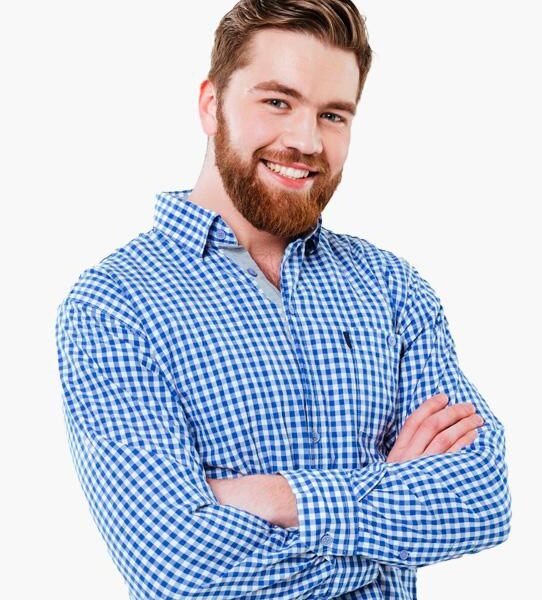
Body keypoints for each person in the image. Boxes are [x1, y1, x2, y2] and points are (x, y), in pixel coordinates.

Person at [55, 1, 511, 598]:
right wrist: (392, 506)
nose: (305, 140)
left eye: (333, 115)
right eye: (277, 102)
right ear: (211, 105)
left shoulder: (392, 288)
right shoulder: (114, 307)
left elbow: (481, 502)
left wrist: (278, 497)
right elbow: (177, 570)